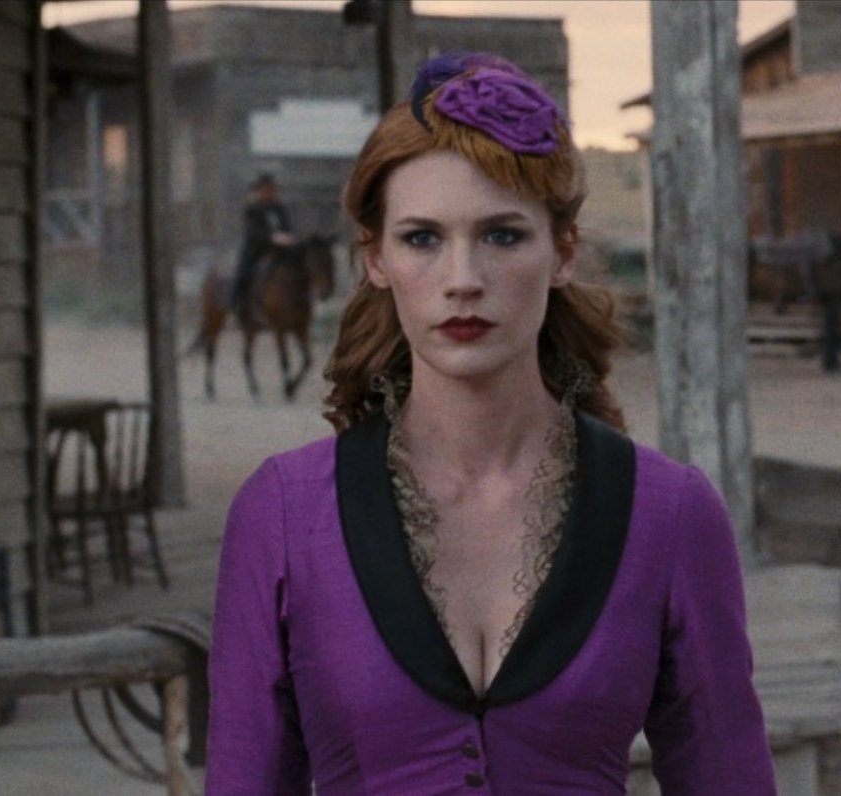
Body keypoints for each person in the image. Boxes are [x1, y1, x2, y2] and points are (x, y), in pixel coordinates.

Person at [207, 53, 776, 794]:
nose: (463, 280)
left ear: (563, 252)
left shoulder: (671, 513)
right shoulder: (281, 514)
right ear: (375, 259)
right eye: (422, 238)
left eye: (503, 236)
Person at [230, 173, 296, 324]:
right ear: (259, 191)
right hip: (257, 249)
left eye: (272, 190)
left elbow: (287, 226)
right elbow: (253, 232)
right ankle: (237, 304)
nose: (270, 193)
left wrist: (288, 237)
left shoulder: (279, 208)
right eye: (266, 190)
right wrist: (272, 238)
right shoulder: (252, 209)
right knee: (244, 272)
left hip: (280, 249)